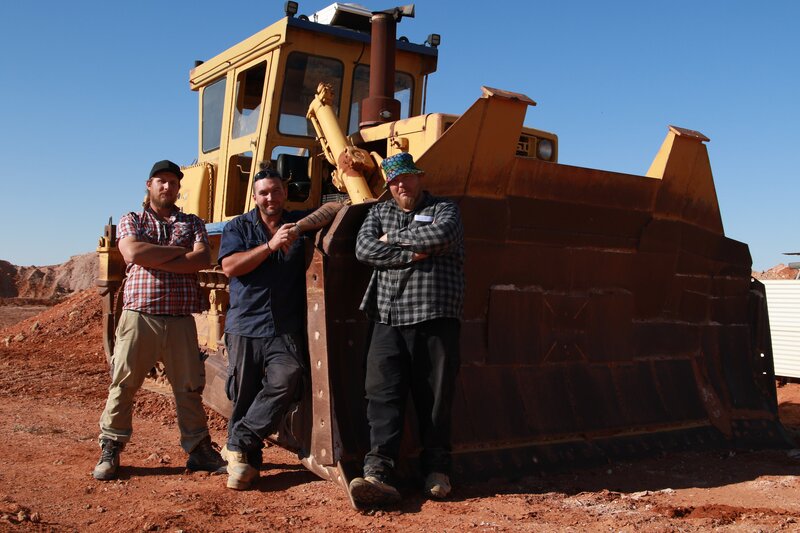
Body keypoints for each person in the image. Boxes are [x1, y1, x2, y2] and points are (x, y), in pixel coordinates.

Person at [93, 160, 225, 481]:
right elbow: (132, 253)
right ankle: (111, 446)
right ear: (149, 185)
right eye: (161, 181)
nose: (167, 186)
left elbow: (201, 258)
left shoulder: (192, 222)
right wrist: (178, 252)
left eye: (173, 182)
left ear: (179, 188)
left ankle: (198, 449)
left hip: (180, 319)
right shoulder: (133, 219)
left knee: (188, 387)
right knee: (124, 382)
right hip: (140, 315)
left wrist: (154, 256)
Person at [217, 165, 344, 490]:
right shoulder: (238, 227)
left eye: (276, 191)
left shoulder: (296, 222)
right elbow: (230, 266)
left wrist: (297, 228)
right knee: (243, 393)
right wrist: (271, 245)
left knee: (288, 377)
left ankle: (239, 440)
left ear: (285, 193)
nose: (270, 197)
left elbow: (335, 207)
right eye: (263, 192)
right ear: (255, 197)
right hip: (245, 324)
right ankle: (245, 462)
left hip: (283, 328)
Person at [349, 152, 464, 507]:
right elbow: (363, 249)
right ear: (389, 186)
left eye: (407, 178)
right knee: (382, 395)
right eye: (395, 181)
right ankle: (378, 472)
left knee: (435, 397)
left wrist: (391, 240)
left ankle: (437, 471)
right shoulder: (378, 213)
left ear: (419, 177)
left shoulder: (445, 209)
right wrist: (410, 253)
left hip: (435, 315)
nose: (402, 185)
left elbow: (442, 236)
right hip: (387, 316)